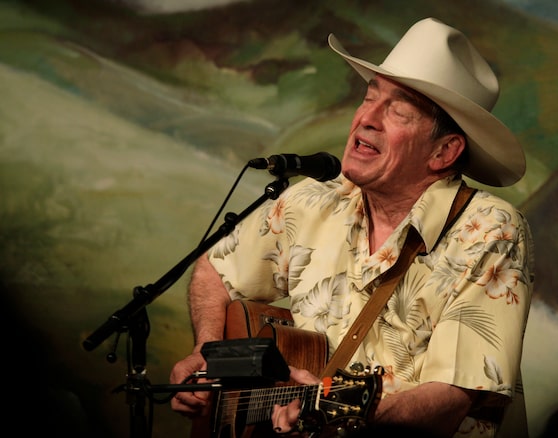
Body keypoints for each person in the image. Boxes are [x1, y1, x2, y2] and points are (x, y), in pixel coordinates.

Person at [169, 17, 535, 438]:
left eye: (398, 110)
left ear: (444, 151)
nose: (367, 118)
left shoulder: (490, 230)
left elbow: (450, 399)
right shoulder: (317, 198)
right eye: (369, 97)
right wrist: (208, 354)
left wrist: (334, 412)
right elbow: (216, 269)